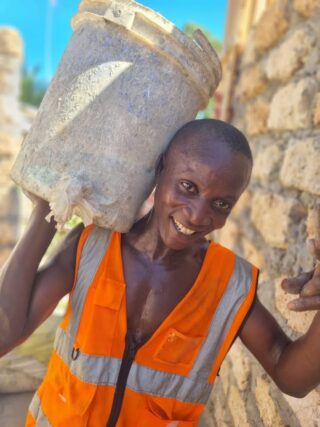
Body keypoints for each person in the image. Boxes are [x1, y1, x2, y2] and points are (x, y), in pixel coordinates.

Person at [0, 119, 319, 426]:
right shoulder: (90, 249)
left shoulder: (229, 286)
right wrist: (47, 207)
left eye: (221, 204)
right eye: (188, 187)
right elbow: (4, 333)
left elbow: (291, 376)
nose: (197, 215)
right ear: (161, 167)